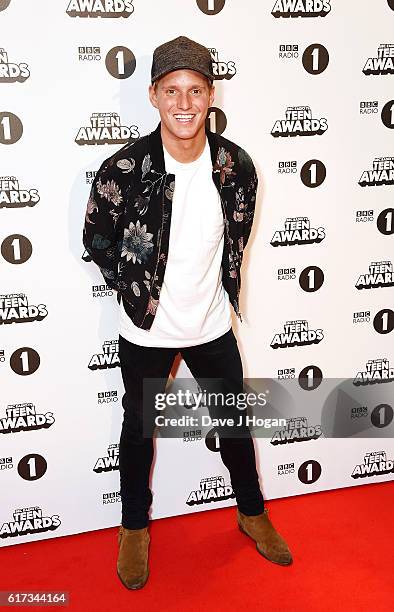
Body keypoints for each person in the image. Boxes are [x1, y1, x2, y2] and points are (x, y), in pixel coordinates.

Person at [83, 35, 292, 590]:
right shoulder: (123, 169)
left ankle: (252, 512)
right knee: (138, 428)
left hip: (212, 324)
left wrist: (217, 291)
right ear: (153, 95)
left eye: (195, 90)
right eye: (172, 90)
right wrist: (137, 292)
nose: (183, 102)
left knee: (234, 421)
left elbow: (237, 235)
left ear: (209, 95)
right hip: (145, 328)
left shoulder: (234, 165)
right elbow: (97, 236)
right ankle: (134, 529)